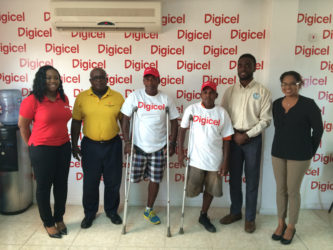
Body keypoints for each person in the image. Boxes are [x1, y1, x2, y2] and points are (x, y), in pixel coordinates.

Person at [220, 53, 272, 233]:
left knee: (251, 180)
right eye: (240, 65)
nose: (243, 68)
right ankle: (235, 212)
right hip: (233, 140)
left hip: (252, 141)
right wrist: (233, 134)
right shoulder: (230, 91)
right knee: (234, 179)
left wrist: (247, 135)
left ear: (254, 68)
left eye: (247, 65)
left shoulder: (263, 91)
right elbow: (223, 116)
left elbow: (265, 120)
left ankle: (250, 218)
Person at [18, 65, 72, 238]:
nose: (53, 80)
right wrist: (32, 145)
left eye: (56, 77)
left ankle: (59, 218)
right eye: (48, 77)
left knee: (61, 185)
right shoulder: (32, 100)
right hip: (42, 149)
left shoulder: (63, 98)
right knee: (43, 187)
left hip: (63, 147)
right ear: (41, 79)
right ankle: (48, 223)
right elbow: (23, 125)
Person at [121, 67, 179, 225]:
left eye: (153, 78)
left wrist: (172, 143)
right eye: (147, 78)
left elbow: (174, 122)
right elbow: (125, 119)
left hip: (159, 147)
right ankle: (131, 205)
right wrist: (126, 142)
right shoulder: (135, 96)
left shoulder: (165, 99)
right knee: (134, 179)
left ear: (159, 81)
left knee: (155, 179)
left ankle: (148, 209)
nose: (150, 81)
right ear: (143, 81)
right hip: (138, 147)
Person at [271, 71, 323, 244]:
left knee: (292, 191)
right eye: (284, 83)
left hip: (299, 155)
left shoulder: (309, 104)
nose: (288, 87)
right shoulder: (277, 104)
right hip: (278, 152)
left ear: (299, 84)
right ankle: (281, 223)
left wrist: (309, 150)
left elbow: (318, 130)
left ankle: (291, 226)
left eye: (292, 83)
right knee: (280, 189)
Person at [71, 68, 124, 229]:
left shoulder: (118, 97)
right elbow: (76, 122)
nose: (99, 80)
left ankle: (111, 211)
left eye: (102, 77)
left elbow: (124, 122)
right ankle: (89, 213)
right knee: (90, 183)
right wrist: (74, 145)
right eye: (95, 78)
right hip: (90, 146)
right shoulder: (82, 98)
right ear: (90, 81)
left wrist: (128, 142)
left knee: (113, 182)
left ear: (107, 79)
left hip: (113, 145)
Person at [178, 81, 234, 233]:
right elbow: (182, 130)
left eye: (211, 92)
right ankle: (196, 213)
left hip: (215, 161)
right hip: (195, 159)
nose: (208, 95)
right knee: (192, 189)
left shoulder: (222, 113)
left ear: (216, 95)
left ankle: (203, 214)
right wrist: (180, 151)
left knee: (210, 190)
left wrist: (225, 162)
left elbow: (227, 139)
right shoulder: (192, 109)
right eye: (205, 92)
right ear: (201, 94)